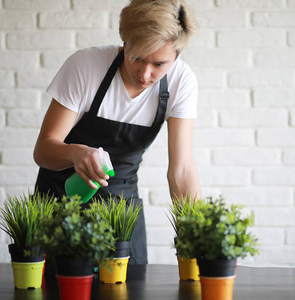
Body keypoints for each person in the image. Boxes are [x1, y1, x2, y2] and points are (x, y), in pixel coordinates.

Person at [33, 0, 201, 265]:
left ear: (177, 56)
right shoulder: (86, 66)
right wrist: (76, 153)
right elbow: (43, 150)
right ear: (124, 42)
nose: (145, 74)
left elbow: (181, 170)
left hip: (121, 212)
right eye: (137, 58)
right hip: (60, 201)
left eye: (159, 64)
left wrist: (197, 233)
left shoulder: (182, 82)